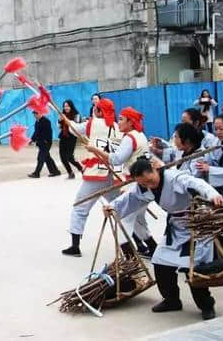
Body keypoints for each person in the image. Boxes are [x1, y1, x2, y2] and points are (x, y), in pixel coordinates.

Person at [105, 159, 223, 320]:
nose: (149, 186)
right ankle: (171, 300)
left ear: (154, 169)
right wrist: (113, 206)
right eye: (144, 184)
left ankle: (206, 305)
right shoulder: (143, 186)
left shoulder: (175, 178)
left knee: (193, 266)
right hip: (176, 226)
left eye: (150, 181)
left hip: (196, 223)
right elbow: (131, 197)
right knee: (160, 261)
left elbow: (197, 183)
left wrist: (213, 194)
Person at [83, 107, 158, 257]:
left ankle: (131, 260)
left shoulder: (130, 138)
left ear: (131, 122)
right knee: (138, 220)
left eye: (122, 119)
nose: (119, 122)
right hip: (143, 184)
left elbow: (116, 159)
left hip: (136, 185)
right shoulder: (140, 135)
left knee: (123, 221)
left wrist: (95, 150)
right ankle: (153, 249)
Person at [62, 98, 120, 256]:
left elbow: (75, 129)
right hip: (113, 175)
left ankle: (75, 246)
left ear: (100, 111)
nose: (93, 110)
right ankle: (143, 244)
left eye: (96, 108)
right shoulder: (118, 127)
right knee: (121, 209)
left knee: (80, 208)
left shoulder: (93, 123)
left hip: (96, 174)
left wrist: (66, 120)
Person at [153, 108, 219, 163]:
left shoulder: (210, 139)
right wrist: (160, 151)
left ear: (196, 123)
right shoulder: (178, 134)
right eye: (181, 122)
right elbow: (174, 152)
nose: (182, 125)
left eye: (185, 122)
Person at [28, 110, 61, 178]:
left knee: (40, 158)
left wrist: (45, 141)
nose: (35, 116)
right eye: (34, 114)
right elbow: (36, 132)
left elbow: (49, 133)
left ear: (40, 113)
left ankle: (36, 173)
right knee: (47, 158)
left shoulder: (46, 121)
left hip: (46, 143)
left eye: (36, 114)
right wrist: (32, 139)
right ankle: (55, 171)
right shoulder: (37, 122)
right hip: (40, 143)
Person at [57, 100, 83, 179]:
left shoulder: (76, 115)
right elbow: (58, 127)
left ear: (71, 106)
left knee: (69, 157)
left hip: (71, 137)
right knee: (62, 157)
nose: (66, 108)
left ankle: (81, 168)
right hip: (63, 137)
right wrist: (59, 120)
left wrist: (67, 120)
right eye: (64, 106)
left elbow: (76, 125)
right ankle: (70, 172)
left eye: (67, 106)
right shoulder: (62, 115)